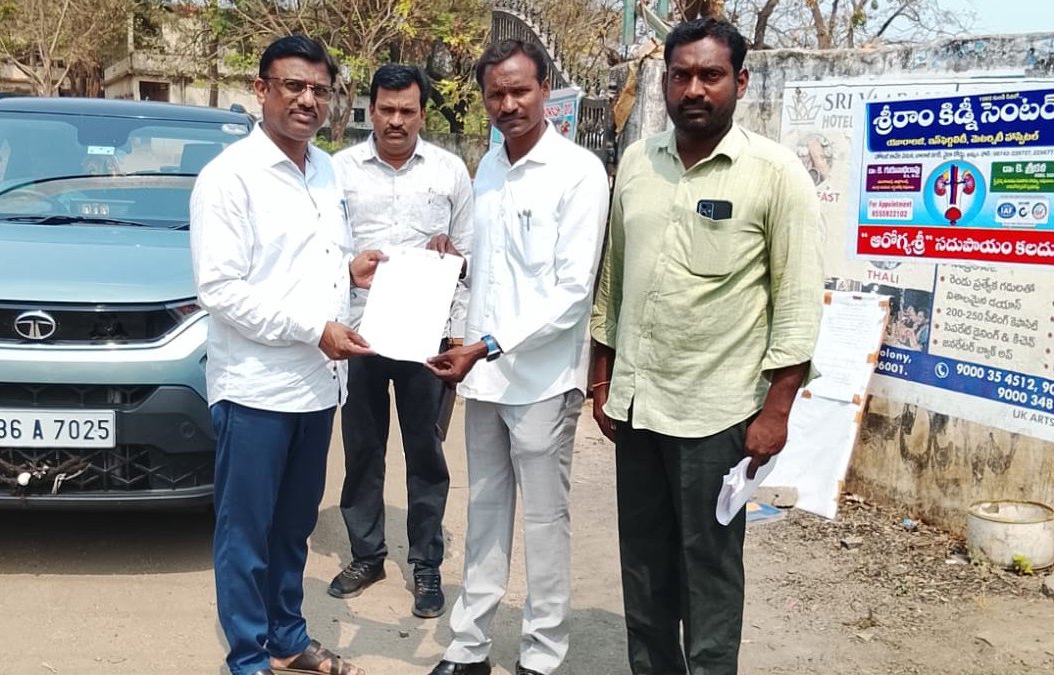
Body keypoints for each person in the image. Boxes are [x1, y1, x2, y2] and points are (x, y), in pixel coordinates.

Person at [589, 17, 823, 675]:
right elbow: (614, 277)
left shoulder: (775, 174)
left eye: (710, 75)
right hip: (638, 408)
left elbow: (798, 301)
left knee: (709, 573)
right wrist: (601, 377)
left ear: (740, 82)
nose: (694, 89)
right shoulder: (638, 164)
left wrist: (776, 410)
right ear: (664, 81)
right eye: (681, 75)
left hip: (718, 415)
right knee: (644, 566)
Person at [189, 34, 385, 675]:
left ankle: (287, 639)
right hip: (256, 389)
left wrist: (351, 272)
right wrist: (313, 329)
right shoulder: (229, 178)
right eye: (293, 86)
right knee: (245, 533)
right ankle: (248, 657)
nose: (307, 100)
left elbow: (310, 262)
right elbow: (221, 290)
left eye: (319, 90)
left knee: (294, 527)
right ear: (261, 90)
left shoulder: (325, 170)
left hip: (317, 387)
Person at [423, 39, 610, 675]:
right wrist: (455, 262)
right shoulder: (490, 168)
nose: (507, 104)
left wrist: (488, 345)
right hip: (484, 379)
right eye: (495, 94)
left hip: (541, 378)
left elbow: (571, 291)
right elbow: (494, 270)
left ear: (545, 90)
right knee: (484, 513)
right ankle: (469, 646)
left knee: (545, 523)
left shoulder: (578, 172)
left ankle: (542, 655)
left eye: (519, 91)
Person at [327, 63, 473, 619]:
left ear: (422, 113)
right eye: (386, 109)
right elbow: (323, 249)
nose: (395, 120)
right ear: (370, 109)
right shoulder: (338, 171)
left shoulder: (449, 172)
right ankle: (367, 555)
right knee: (362, 450)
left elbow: (469, 257)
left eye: (407, 111)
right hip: (360, 335)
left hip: (425, 339)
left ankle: (426, 563)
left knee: (426, 454)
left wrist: (456, 332)